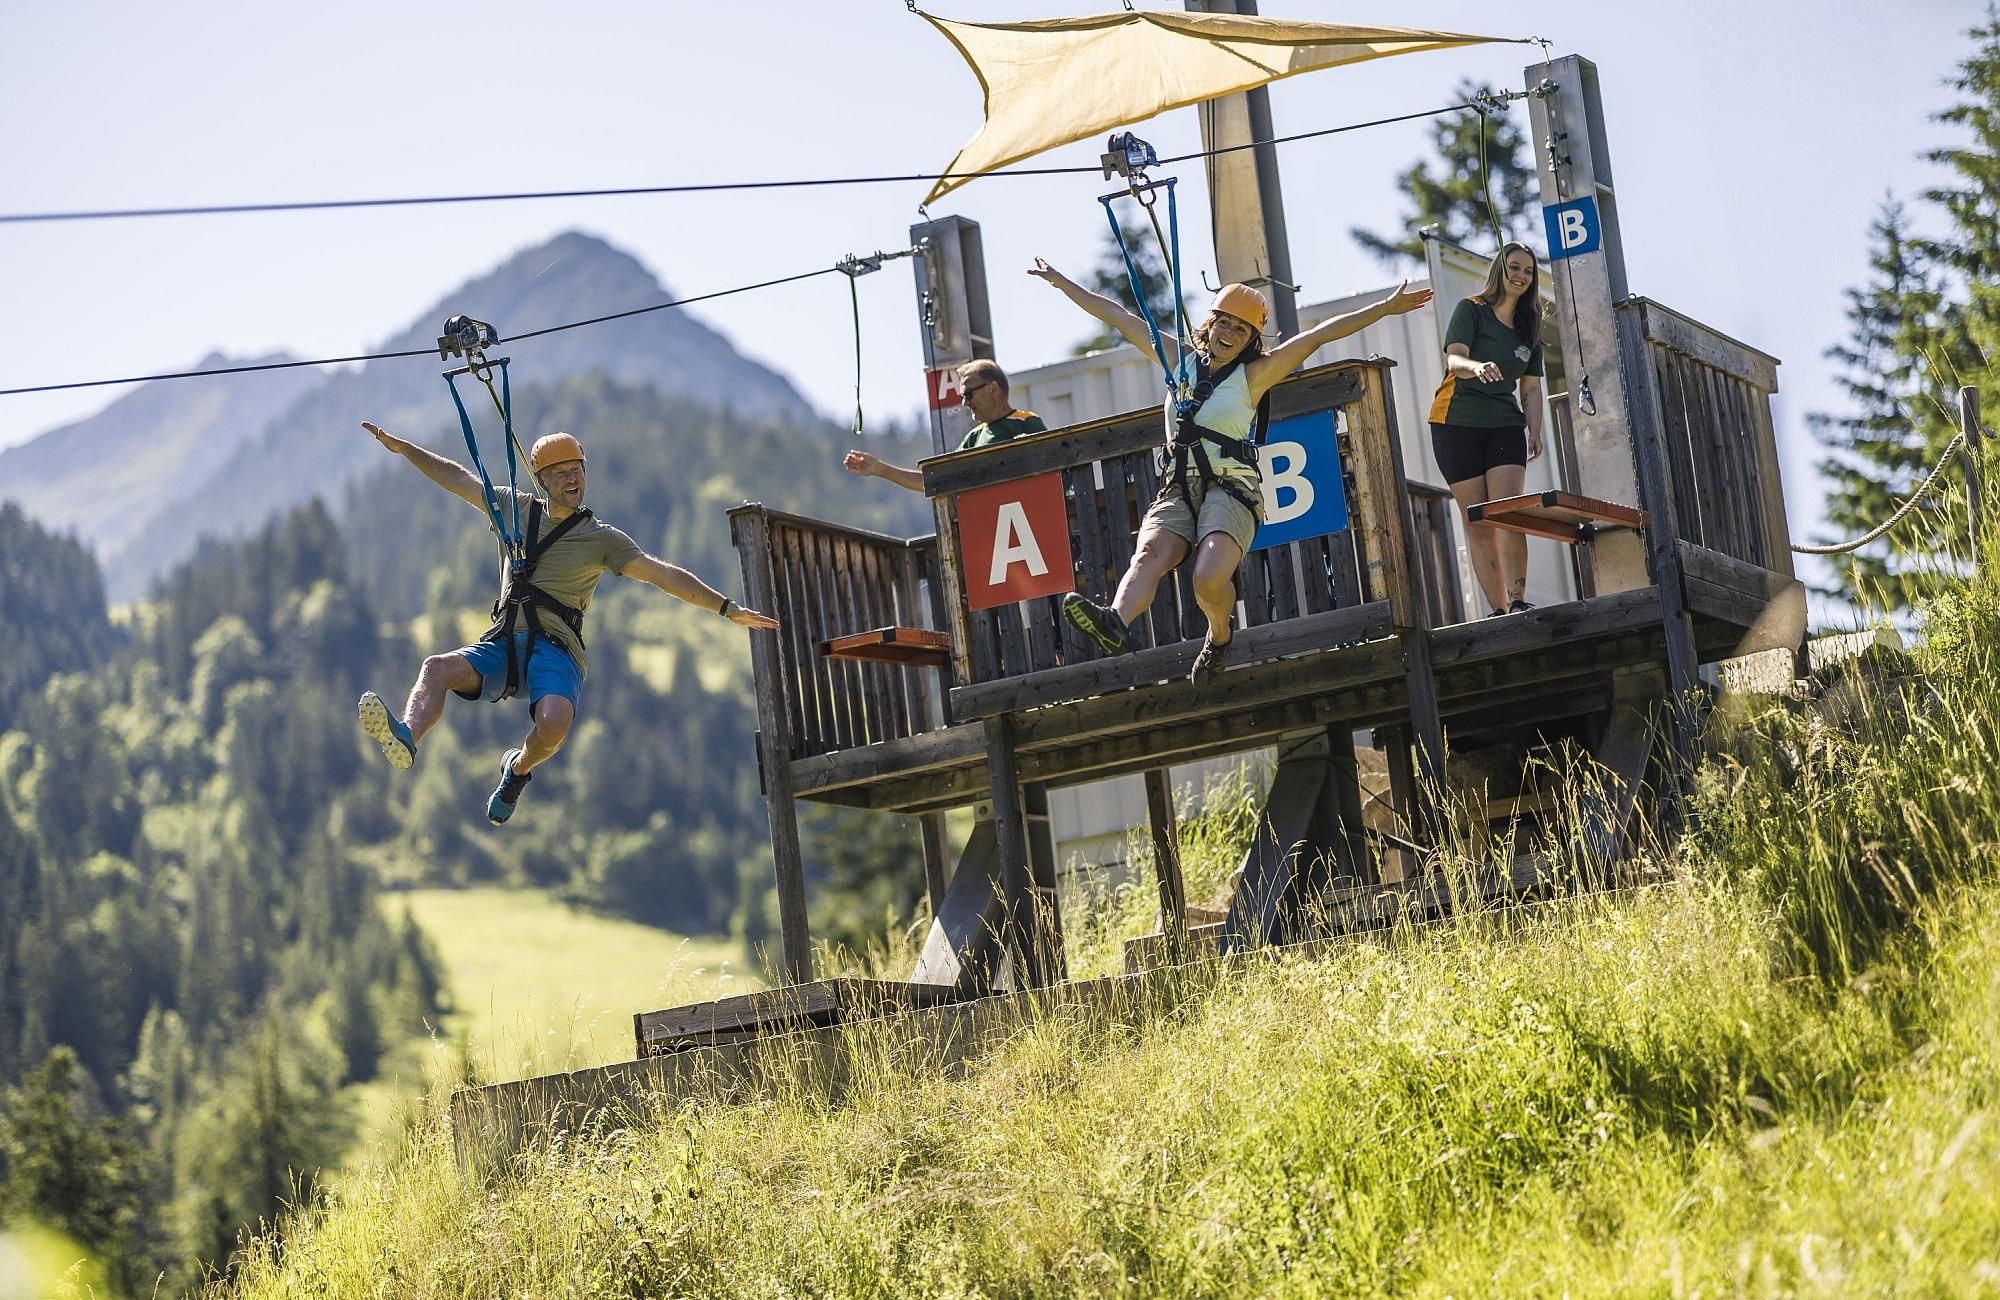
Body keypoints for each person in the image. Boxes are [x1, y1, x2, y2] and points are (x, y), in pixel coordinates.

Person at [1030, 260, 1431, 690]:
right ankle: (1115, 621)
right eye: (1224, 322)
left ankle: (1219, 636)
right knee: (1148, 555)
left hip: (1231, 488)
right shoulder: (1178, 361)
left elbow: (1319, 335)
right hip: (1178, 488)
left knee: (1207, 578)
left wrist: (1384, 308)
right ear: (1211, 322)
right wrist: (1061, 282)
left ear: (1251, 340)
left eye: (1241, 329)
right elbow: (1119, 317)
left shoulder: (1254, 376)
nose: (1229, 333)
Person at [353, 421, 777, 824]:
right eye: (561, 474)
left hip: (556, 650)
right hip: (504, 643)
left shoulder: (601, 539)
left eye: (577, 470)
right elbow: (457, 478)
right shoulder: (514, 510)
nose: (573, 479)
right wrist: (403, 448)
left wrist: (726, 608)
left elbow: (663, 575)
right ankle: (407, 736)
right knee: (436, 669)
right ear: (541, 480)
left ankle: (517, 770)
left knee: (554, 723)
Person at [1426, 241, 1546, 618]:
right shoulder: (1471, 309)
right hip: (1455, 423)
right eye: (1515, 267)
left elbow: (1530, 388)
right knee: (1478, 521)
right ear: (1500, 269)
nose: (1521, 275)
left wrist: (1535, 431)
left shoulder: (1530, 327)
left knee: (1508, 511)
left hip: (1504, 424)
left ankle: (1518, 600)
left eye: (1528, 271)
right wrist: (1477, 367)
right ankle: (1498, 611)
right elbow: (1454, 360)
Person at [841, 359, 1046, 491]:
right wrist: (879, 469)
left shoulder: (1027, 422)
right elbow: (938, 479)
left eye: (968, 394)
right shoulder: (973, 438)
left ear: (993, 389)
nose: (964, 403)